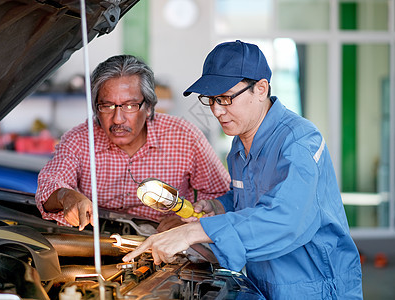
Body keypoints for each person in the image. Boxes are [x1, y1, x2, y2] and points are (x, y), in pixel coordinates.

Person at [123, 41, 363, 299]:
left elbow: (285, 218)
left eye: (225, 98)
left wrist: (192, 232)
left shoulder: (300, 140)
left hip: (315, 286)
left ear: (261, 89)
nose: (216, 110)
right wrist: (218, 207)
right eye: (211, 99)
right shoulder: (240, 142)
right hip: (265, 282)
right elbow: (250, 201)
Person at [35, 54, 230, 231]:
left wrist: (188, 222)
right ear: (95, 108)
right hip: (99, 241)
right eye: (107, 106)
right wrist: (67, 196)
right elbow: (49, 185)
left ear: (148, 108)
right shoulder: (79, 139)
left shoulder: (184, 136)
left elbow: (222, 194)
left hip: (168, 242)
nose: (118, 118)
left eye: (130, 105)